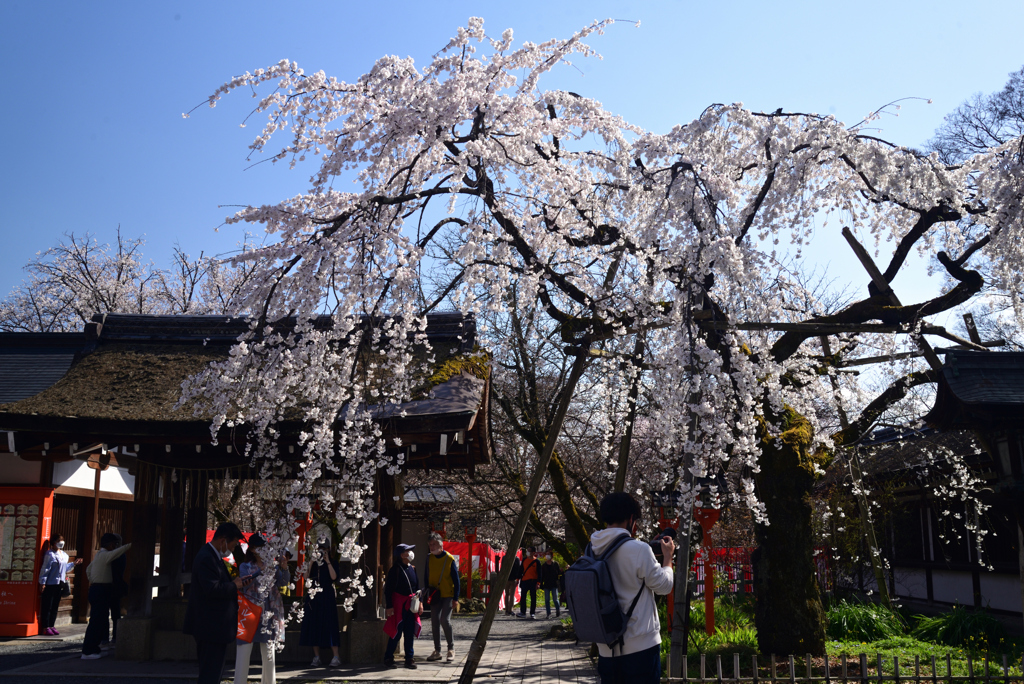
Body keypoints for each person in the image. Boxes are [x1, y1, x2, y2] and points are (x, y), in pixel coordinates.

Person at [589, 492, 675, 684]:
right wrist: (668, 558)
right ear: (631, 519)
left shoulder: (592, 548)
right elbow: (664, 586)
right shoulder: (638, 549)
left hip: (606, 648)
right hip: (640, 647)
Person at [183, 522, 249, 684]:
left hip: (214, 626)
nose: (232, 550)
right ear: (222, 540)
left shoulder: (212, 556)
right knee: (210, 673)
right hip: (210, 626)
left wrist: (234, 583)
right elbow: (212, 590)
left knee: (213, 672)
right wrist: (234, 585)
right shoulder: (207, 558)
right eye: (232, 546)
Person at [234, 534, 291, 684]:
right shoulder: (245, 566)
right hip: (250, 610)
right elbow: (245, 582)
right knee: (243, 650)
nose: (264, 550)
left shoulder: (272, 565)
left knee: (269, 652)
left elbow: (283, 582)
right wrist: (263, 570)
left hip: (270, 610)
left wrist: (284, 568)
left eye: (265, 547)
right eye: (260, 547)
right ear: (252, 549)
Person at [299, 538, 342, 667]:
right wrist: (311, 561)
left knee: (330, 623)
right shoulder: (312, 563)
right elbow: (305, 578)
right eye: (319, 549)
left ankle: (336, 656)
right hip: (314, 596)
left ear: (328, 549)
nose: (321, 551)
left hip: (327, 595)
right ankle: (316, 656)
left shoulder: (333, 562)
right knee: (314, 624)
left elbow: (334, 577)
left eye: (324, 549)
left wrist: (328, 561)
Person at [382, 543, 421, 669]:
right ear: (402, 555)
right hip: (398, 604)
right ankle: (388, 657)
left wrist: (420, 603)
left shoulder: (413, 568)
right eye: (408, 550)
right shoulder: (395, 570)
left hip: (411, 603)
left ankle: (409, 657)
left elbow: (417, 588)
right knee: (396, 632)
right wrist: (389, 606)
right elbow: (388, 590)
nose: (410, 553)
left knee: (409, 632)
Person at [423, 533, 459, 663]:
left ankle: (451, 648)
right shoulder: (429, 558)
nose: (432, 547)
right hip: (434, 594)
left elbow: (456, 580)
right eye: (430, 544)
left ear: (440, 544)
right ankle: (437, 650)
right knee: (434, 622)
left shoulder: (449, 559)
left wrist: (456, 598)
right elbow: (426, 575)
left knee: (445, 620)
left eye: (434, 544)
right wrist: (426, 591)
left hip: (447, 594)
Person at [38, 535, 82, 635]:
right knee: (47, 605)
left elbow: (64, 568)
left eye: (62, 540)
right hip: (50, 583)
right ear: (53, 542)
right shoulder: (50, 554)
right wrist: (42, 582)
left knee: (55, 606)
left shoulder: (64, 554)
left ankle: (52, 625)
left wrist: (74, 563)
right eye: (59, 540)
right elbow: (45, 569)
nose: (61, 542)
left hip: (60, 583)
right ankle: (45, 627)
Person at [517, 546, 539, 618]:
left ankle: (532, 613)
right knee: (523, 597)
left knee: (533, 598)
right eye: (527, 551)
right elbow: (520, 570)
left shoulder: (537, 562)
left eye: (529, 551)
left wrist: (538, 583)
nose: (527, 552)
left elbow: (539, 573)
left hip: (533, 581)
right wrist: (517, 580)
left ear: (533, 553)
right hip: (524, 581)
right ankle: (522, 612)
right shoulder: (524, 560)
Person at [540, 550, 561, 619]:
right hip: (546, 584)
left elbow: (558, 574)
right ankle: (548, 613)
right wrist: (541, 583)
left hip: (554, 584)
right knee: (547, 599)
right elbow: (542, 576)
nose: (547, 556)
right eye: (546, 554)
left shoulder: (555, 564)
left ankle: (558, 609)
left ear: (552, 556)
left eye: (548, 554)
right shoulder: (544, 565)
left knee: (555, 599)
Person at [501, 550, 522, 616]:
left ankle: (507, 610)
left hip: (507, 578)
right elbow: (518, 569)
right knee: (511, 594)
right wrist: (517, 579)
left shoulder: (504, 558)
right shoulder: (516, 559)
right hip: (513, 579)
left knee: (507, 594)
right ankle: (510, 609)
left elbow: (502, 568)